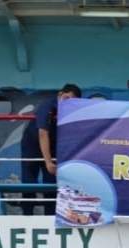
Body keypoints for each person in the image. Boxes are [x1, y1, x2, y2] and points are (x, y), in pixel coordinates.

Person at [19, 83, 82, 214]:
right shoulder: (48, 105)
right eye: (67, 98)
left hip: (53, 147)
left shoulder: (73, 111)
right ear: (60, 95)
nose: (68, 103)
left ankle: (49, 215)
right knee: (29, 181)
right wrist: (48, 161)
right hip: (32, 146)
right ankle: (27, 215)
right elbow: (43, 133)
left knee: (50, 182)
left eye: (73, 101)